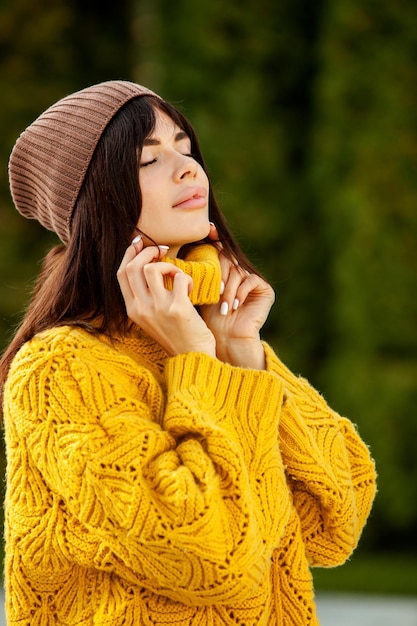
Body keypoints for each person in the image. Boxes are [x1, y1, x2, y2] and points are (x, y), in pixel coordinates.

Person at [1, 80, 376, 626]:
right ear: (96, 204)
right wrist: (199, 362)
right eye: (148, 159)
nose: (187, 169)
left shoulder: (209, 337)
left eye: (185, 147)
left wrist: (242, 352)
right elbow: (209, 557)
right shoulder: (60, 367)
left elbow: (334, 521)